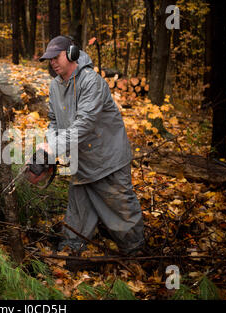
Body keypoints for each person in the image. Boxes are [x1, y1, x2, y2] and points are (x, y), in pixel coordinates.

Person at [38, 35, 145, 255]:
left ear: (71, 54)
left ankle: (140, 257)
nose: (53, 63)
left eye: (56, 57)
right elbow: (53, 121)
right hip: (82, 163)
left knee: (122, 214)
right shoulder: (55, 86)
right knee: (77, 216)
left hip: (108, 161)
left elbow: (84, 124)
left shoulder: (91, 82)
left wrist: (53, 148)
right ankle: (70, 256)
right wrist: (48, 150)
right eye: (49, 59)